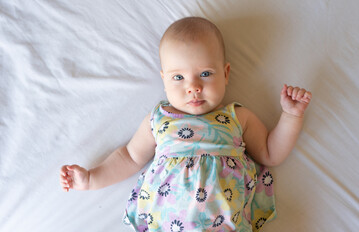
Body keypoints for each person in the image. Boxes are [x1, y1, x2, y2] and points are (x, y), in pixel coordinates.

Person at [60, 17, 312, 231]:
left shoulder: (237, 117)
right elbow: (129, 157)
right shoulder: (159, 119)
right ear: (164, 80)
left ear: (225, 74)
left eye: (205, 74)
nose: (193, 87)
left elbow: (270, 153)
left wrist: (291, 116)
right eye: (178, 77)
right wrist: (91, 178)